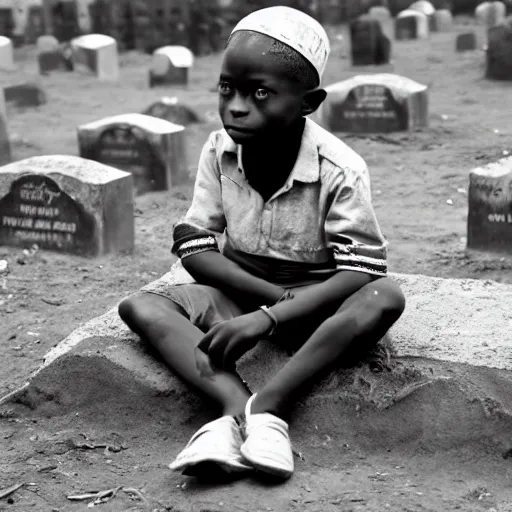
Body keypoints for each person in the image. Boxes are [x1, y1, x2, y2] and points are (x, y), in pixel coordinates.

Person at [118, 6, 405, 481]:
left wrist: (274, 317)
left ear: (309, 103)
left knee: (383, 297)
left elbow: (363, 268)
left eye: (260, 93)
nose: (236, 105)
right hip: (244, 293)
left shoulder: (339, 167)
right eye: (227, 88)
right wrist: (265, 303)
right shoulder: (219, 150)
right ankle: (232, 406)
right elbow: (194, 245)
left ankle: (269, 410)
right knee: (142, 307)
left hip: (317, 306)